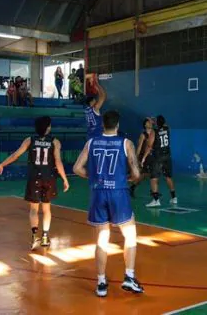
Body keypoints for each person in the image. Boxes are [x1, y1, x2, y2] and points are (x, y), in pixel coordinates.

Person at [72, 110, 144, 297]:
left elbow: (77, 168)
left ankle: (101, 282)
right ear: (118, 125)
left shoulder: (91, 142)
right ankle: (129, 276)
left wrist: (93, 177)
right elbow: (136, 174)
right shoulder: (126, 143)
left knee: (102, 239)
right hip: (118, 193)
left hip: (98, 192)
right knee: (130, 235)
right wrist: (128, 179)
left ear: (103, 124)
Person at [0, 116, 70, 250]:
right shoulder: (55, 142)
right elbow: (58, 162)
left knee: (34, 209)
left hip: (34, 177)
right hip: (49, 177)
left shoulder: (30, 140)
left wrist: (2, 165)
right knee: (47, 209)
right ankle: (45, 237)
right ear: (48, 127)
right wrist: (64, 178)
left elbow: (15, 155)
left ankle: (35, 237)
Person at [144, 115, 178, 207]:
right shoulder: (167, 128)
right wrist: (156, 122)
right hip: (167, 155)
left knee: (154, 178)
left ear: (156, 123)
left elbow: (150, 145)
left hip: (158, 157)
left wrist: (144, 157)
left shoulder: (154, 131)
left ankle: (156, 200)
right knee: (168, 177)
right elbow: (163, 124)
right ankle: (174, 198)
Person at [129, 117, 154, 198]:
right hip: (143, 157)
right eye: (147, 122)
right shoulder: (143, 135)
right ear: (145, 125)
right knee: (143, 176)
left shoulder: (154, 133)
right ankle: (132, 187)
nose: (149, 123)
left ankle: (154, 191)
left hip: (151, 157)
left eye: (150, 122)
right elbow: (139, 147)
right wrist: (136, 158)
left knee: (152, 174)